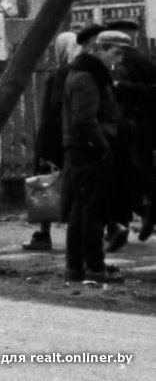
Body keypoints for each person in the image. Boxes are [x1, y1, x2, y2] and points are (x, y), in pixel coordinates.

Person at [61, 29, 129, 284]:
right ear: (98, 50)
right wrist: (102, 147)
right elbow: (85, 120)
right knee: (93, 211)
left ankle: (76, 267)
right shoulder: (87, 78)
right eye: (115, 52)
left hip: (82, 149)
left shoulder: (87, 74)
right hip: (89, 151)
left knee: (82, 209)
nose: (118, 59)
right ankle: (94, 267)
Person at [22, 32, 78, 250]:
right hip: (75, 138)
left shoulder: (61, 75)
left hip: (55, 139)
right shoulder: (84, 72)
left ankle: (44, 235)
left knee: (45, 184)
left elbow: (54, 110)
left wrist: (45, 146)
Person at [105, 19, 156, 245]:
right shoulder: (141, 61)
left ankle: (129, 221)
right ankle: (133, 219)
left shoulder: (129, 62)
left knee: (132, 175)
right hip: (133, 127)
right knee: (134, 176)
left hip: (130, 128)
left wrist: (122, 89)